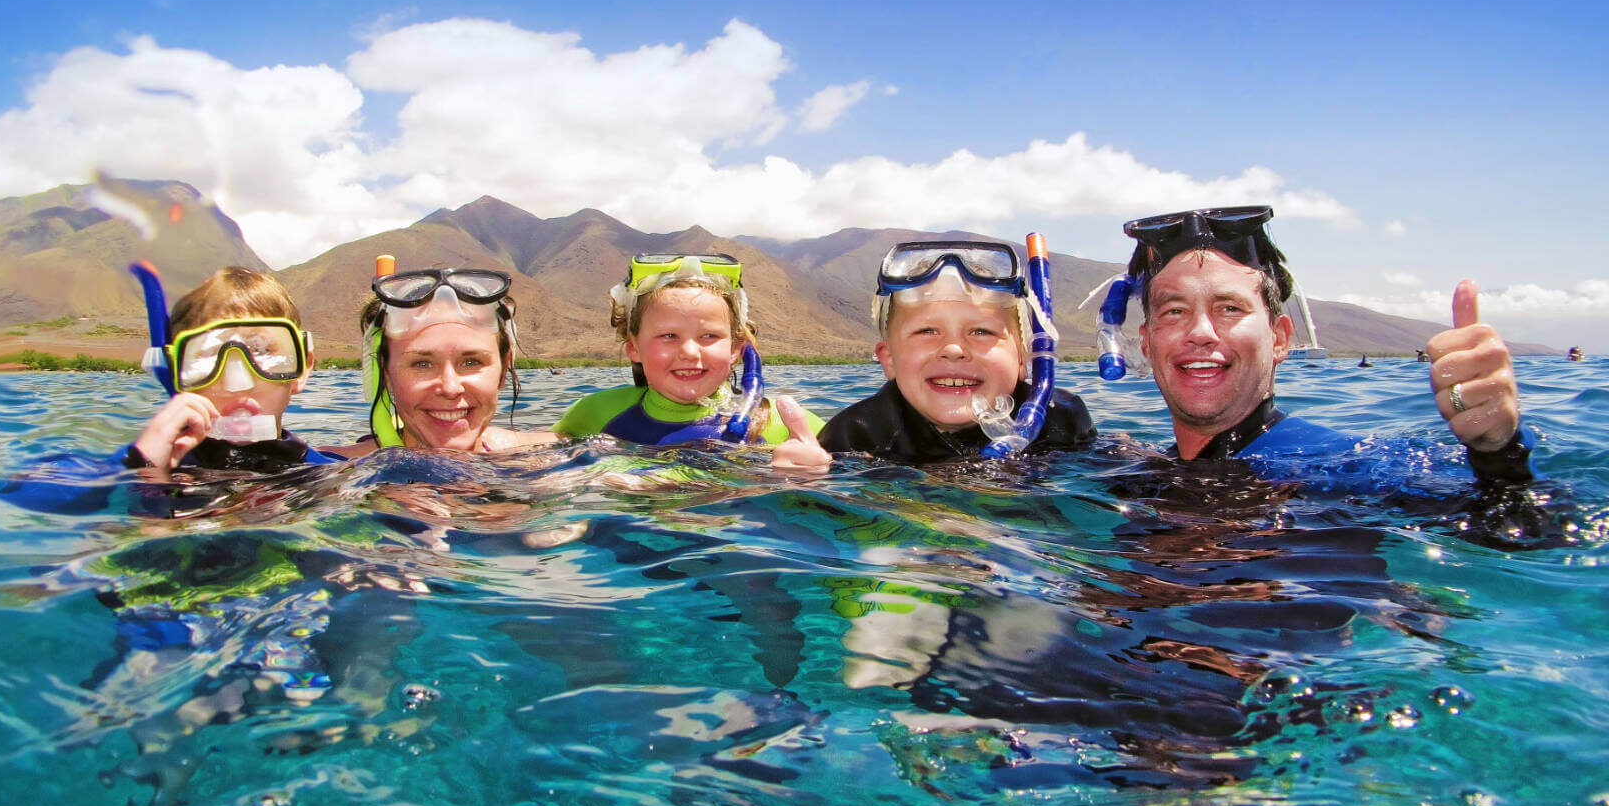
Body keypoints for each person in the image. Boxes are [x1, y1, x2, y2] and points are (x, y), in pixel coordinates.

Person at [1112, 206, 1532, 482]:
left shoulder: (1343, 469)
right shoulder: (1137, 470)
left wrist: (1499, 459)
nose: (1200, 332)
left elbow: (1524, 543)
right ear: (1147, 343)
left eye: (1229, 308)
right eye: (1174, 311)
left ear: (1278, 339)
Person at [819, 239, 1096, 463]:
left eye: (981, 332)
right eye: (926, 331)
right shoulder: (854, 434)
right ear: (889, 359)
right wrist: (802, 477)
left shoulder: (1060, 421)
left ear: (1024, 359)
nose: (953, 349)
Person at [552, 253, 829, 465]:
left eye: (709, 336)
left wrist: (811, 479)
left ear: (736, 348)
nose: (689, 352)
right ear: (633, 347)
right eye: (669, 335)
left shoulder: (787, 425)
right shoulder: (595, 413)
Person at [127, 266, 340, 473]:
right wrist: (145, 469)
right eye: (210, 353)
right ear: (177, 373)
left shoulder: (326, 477)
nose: (238, 383)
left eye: (262, 349)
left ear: (302, 369)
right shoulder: (145, 460)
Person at [332, 262, 555, 456]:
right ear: (386, 373)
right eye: (422, 364)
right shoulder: (331, 472)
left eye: (471, 362)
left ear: (503, 370)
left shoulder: (548, 456)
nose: (450, 388)